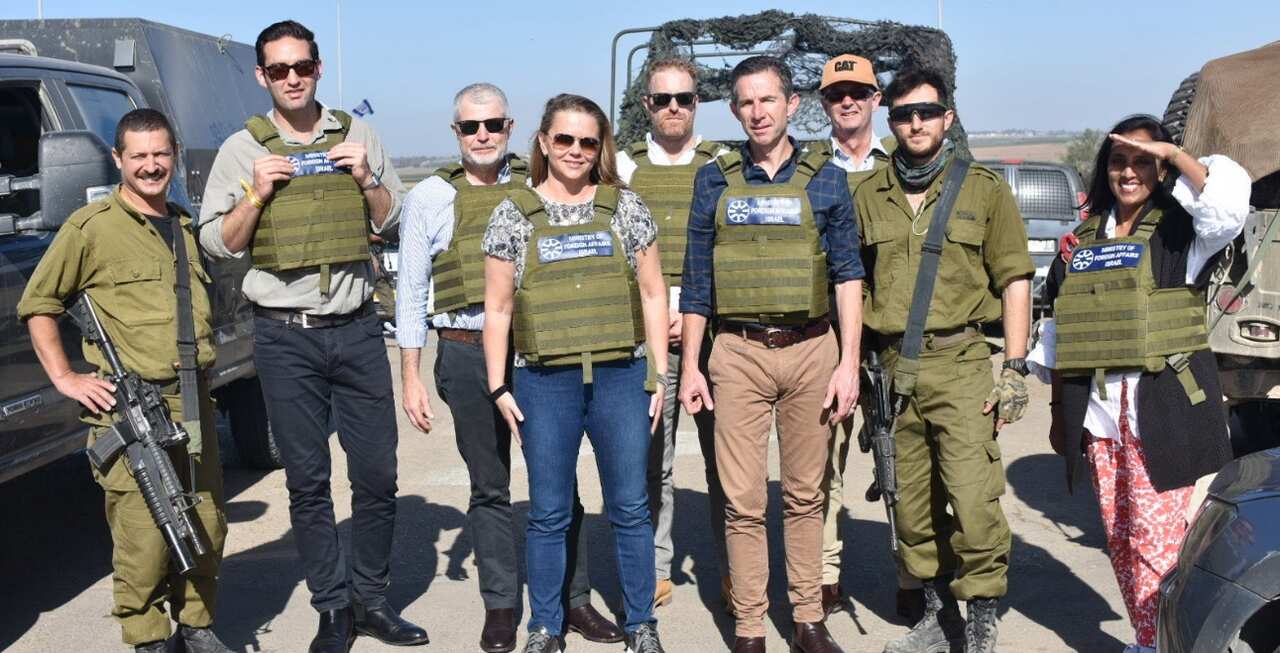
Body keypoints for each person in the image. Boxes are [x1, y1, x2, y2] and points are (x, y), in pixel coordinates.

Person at [197, 20, 426, 653]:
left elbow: (397, 220)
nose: (292, 78)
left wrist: (368, 181)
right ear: (261, 76)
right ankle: (333, 609)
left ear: (319, 69)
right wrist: (256, 193)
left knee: (377, 474)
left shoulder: (359, 135)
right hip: (284, 337)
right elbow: (216, 241)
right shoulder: (242, 149)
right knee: (307, 479)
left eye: (302, 67)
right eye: (279, 70)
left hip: (355, 331)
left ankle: (372, 600)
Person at [396, 82, 623, 652]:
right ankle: (501, 605)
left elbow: (607, 216)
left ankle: (575, 602)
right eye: (470, 127)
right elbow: (410, 289)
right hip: (465, 352)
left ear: (510, 127)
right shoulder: (429, 196)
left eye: (493, 125)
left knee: (559, 481)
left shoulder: (538, 185)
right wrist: (410, 376)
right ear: (455, 133)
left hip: (537, 351)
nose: (482, 136)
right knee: (489, 486)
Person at [18, 109, 232, 653]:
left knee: (205, 521)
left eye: (160, 154)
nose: (151, 165)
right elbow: (38, 304)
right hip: (133, 410)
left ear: (174, 155)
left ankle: (197, 625)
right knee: (144, 534)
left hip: (191, 402)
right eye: (138, 155)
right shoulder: (91, 228)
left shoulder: (183, 226)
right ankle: (148, 637)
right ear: (119, 159)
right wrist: (66, 377)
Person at [1032, 114, 1248, 653]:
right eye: (1118, 161)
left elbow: (1226, 208)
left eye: (1142, 161)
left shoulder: (1182, 232)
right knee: (1122, 540)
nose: (1128, 173)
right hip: (1102, 417)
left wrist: (1174, 155)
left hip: (1166, 411)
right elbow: (1058, 333)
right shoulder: (1080, 242)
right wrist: (1060, 415)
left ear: (1160, 169)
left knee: (1160, 543)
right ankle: (1148, 639)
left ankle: (1165, 642)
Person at [678, 55, 862, 653]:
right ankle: (751, 625)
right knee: (742, 500)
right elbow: (697, 279)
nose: (757, 112)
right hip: (737, 353)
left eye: (768, 100)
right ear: (734, 110)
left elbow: (847, 275)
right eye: (745, 103)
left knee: (806, 495)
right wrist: (690, 369)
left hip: (812, 350)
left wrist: (848, 363)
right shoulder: (713, 177)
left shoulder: (827, 176)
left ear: (791, 105)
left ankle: (808, 619)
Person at [481, 93, 669, 653]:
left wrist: (659, 375)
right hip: (545, 382)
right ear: (543, 141)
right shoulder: (513, 213)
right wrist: (497, 385)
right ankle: (545, 625)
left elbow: (655, 292)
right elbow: (498, 307)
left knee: (631, 507)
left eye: (588, 141)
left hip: (620, 376)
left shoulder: (626, 207)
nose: (576, 151)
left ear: (601, 146)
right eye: (564, 138)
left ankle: (642, 624)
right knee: (549, 511)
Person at [855, 67, 1033, 653]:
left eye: (926, 111)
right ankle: (938, 615)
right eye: (904, 113)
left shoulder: (982, 189)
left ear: (947, 117)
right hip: (890, 373)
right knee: (909, 506)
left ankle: (982, 619)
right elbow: (850, 286)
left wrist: (1013, 367)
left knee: (974, 496)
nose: (915, 123)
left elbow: (1014, 279)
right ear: (892, 120)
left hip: (959, 362)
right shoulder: (869, 193)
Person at [615, 57, 729, 609]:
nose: (674, 109)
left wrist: (701, 313)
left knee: (726, 462)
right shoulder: (622, 168)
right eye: (663, 100)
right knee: (651, 462)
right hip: (648, 335)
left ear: (696, 102)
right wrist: (651, 318)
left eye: (683, 98)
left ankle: (736, 570)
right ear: (647, 107)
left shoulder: (724, 165)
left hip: (716, 334)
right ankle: (654, 568)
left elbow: (737, 251)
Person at [811, 52, 919, 620]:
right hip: (825, 334)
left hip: (892, 334)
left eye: (858, 92)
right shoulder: (807, 172)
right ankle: (825, 575)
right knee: (823, 463)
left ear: (877, 100)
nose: (847, 101)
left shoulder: (907, 167)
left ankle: (910, 573)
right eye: (835, 94)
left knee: (900, 462)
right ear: (822, 104)